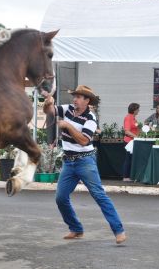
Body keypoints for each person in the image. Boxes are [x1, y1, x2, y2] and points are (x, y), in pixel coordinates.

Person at [43, 85, 126, 244]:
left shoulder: (91, 118)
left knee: (99, 195)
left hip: (85, 161)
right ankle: (76, 229)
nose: (74, 99)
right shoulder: (67, 109)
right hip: (69, 162)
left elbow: (83, 141)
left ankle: (118, 230)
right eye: (74, 96)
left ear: (87, 100)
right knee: (61, 198)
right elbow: (49, 111)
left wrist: (68, 126)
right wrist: (48, 102)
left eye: (79, 97)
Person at [123, 103, 140, 182]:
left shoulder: (134, 118)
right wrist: (136, 137)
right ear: (134, 110)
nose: (138, 111)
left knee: (132, 159)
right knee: (128, 159)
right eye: (138, 109)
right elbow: (127, 131)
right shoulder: (128, 118)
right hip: (129, 141)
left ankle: (130, 176)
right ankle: (126, 176)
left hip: (133, 141)